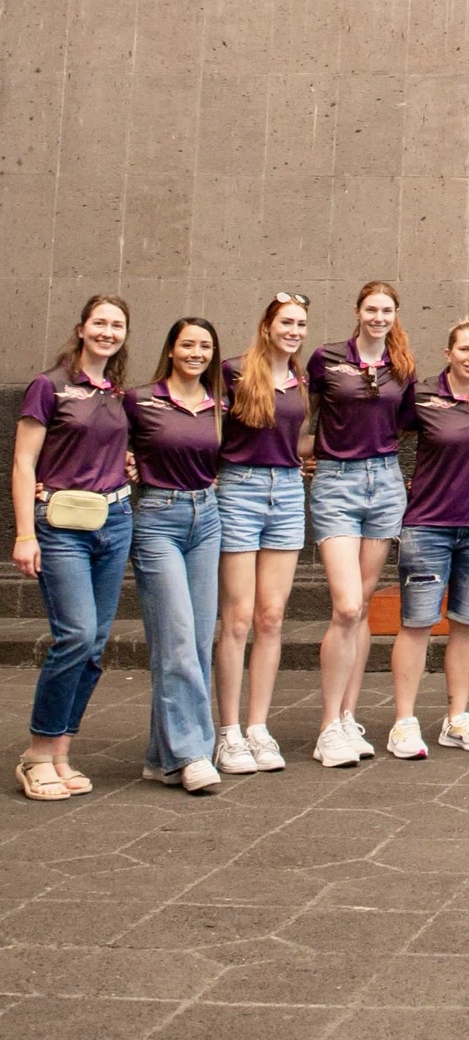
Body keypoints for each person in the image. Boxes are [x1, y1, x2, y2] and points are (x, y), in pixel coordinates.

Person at [12, 295, 134, 802]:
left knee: (96, 643)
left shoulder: (117, 392)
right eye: (99, 322)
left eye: (117, 325)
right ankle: (36, 754)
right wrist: (24, 534)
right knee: (76, 635)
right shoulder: (50, 385)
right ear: (82, 328)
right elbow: (23, 463)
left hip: (115, 521)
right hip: (61, 525)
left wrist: (129, 462)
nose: (108, 332)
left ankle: (61, 752)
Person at [385, 322, 469, 760]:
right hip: (428, 526)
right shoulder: (420, 396)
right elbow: (386, 434)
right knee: (417, 623)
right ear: (448, 352)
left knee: (467, 623)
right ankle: (404, 723)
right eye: (464, 349)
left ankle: (457, 718)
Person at [304, 281, 415, 768]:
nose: (378, 317)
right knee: (346, 606)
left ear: (395, 314)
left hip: (385, 482)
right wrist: (299, 455)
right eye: (371, 309)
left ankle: (348, 717)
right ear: (357, 310)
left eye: (386, 310)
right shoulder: (326, 359)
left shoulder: (402, 365)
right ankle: (327, 726)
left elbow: (406, 424)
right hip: (336, 482)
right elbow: (301, 417)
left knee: (364, 605)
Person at [125, 319, 227, 794]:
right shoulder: (140, 400)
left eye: (205, 346)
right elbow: (100, 442)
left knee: (197, 641)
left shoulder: (220, 405)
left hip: (207, 518)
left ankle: (159, 757)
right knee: (178, 638)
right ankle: (192, 754)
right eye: (188, 344)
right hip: (157, 519)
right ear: (170, 349)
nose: (196, 352)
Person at [213, 294, 311, 775]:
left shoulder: (300, 379)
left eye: (301, 324)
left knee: (271, 616)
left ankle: (257, 727)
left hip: (288, 492)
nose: (294, 331)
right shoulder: (232, 371)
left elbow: (297, 440)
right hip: (239, 489)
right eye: (286, 322)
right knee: (237, 618)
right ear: (267, 325)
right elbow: (206, 427)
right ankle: (228, 732)